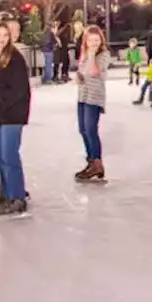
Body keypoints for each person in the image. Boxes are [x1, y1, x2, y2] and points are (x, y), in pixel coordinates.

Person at [0, 21, 32, 218]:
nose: (2, 38)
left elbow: (19, 91)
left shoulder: (14, 58)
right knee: (0, 157)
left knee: (9, 156)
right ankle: (6, 196)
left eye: (5, 35)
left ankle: (17, 197)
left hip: (12, 115)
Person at [74, 25, 111, 182]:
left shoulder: (103, 54)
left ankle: (97, 162)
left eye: (97, 40)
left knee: (90, 129)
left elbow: (93, 71)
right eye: (91, 40)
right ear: (86, 40)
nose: (94, 43)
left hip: (94, 96)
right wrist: (78, 76)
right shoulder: (84, 53)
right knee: (82, 129)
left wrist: (91, 53)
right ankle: (90, 161)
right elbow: (83, 71)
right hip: (83, 94)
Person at [55, 17, 72, 82]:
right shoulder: (61, 31)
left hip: (64, 49)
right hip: (62, 49)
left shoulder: (64, 32)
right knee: (64, 62)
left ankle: (64, 74)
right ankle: (63, 74)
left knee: (67, 62)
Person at [40, 18, 57, 85]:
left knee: (45, 65)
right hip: (49, 50)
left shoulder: (43, 32)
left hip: (44, 50)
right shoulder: (50, 32)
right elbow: (53, 41)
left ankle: (44, 78)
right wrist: (54, 45)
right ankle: (48, 79)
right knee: (48, 65)